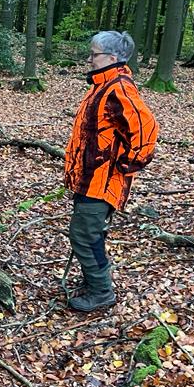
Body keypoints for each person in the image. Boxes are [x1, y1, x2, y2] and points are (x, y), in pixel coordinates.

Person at [64, 31, 159, 312]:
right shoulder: (101, 86)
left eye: (94, 54)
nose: (89, 59)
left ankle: (101, 291)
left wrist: (125, 165)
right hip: (88, 178)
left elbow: (146, 130)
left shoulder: (119, 88)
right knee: (89, 233)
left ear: (112, 58)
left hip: (101, 182)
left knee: (84, 235)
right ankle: (93, 282)